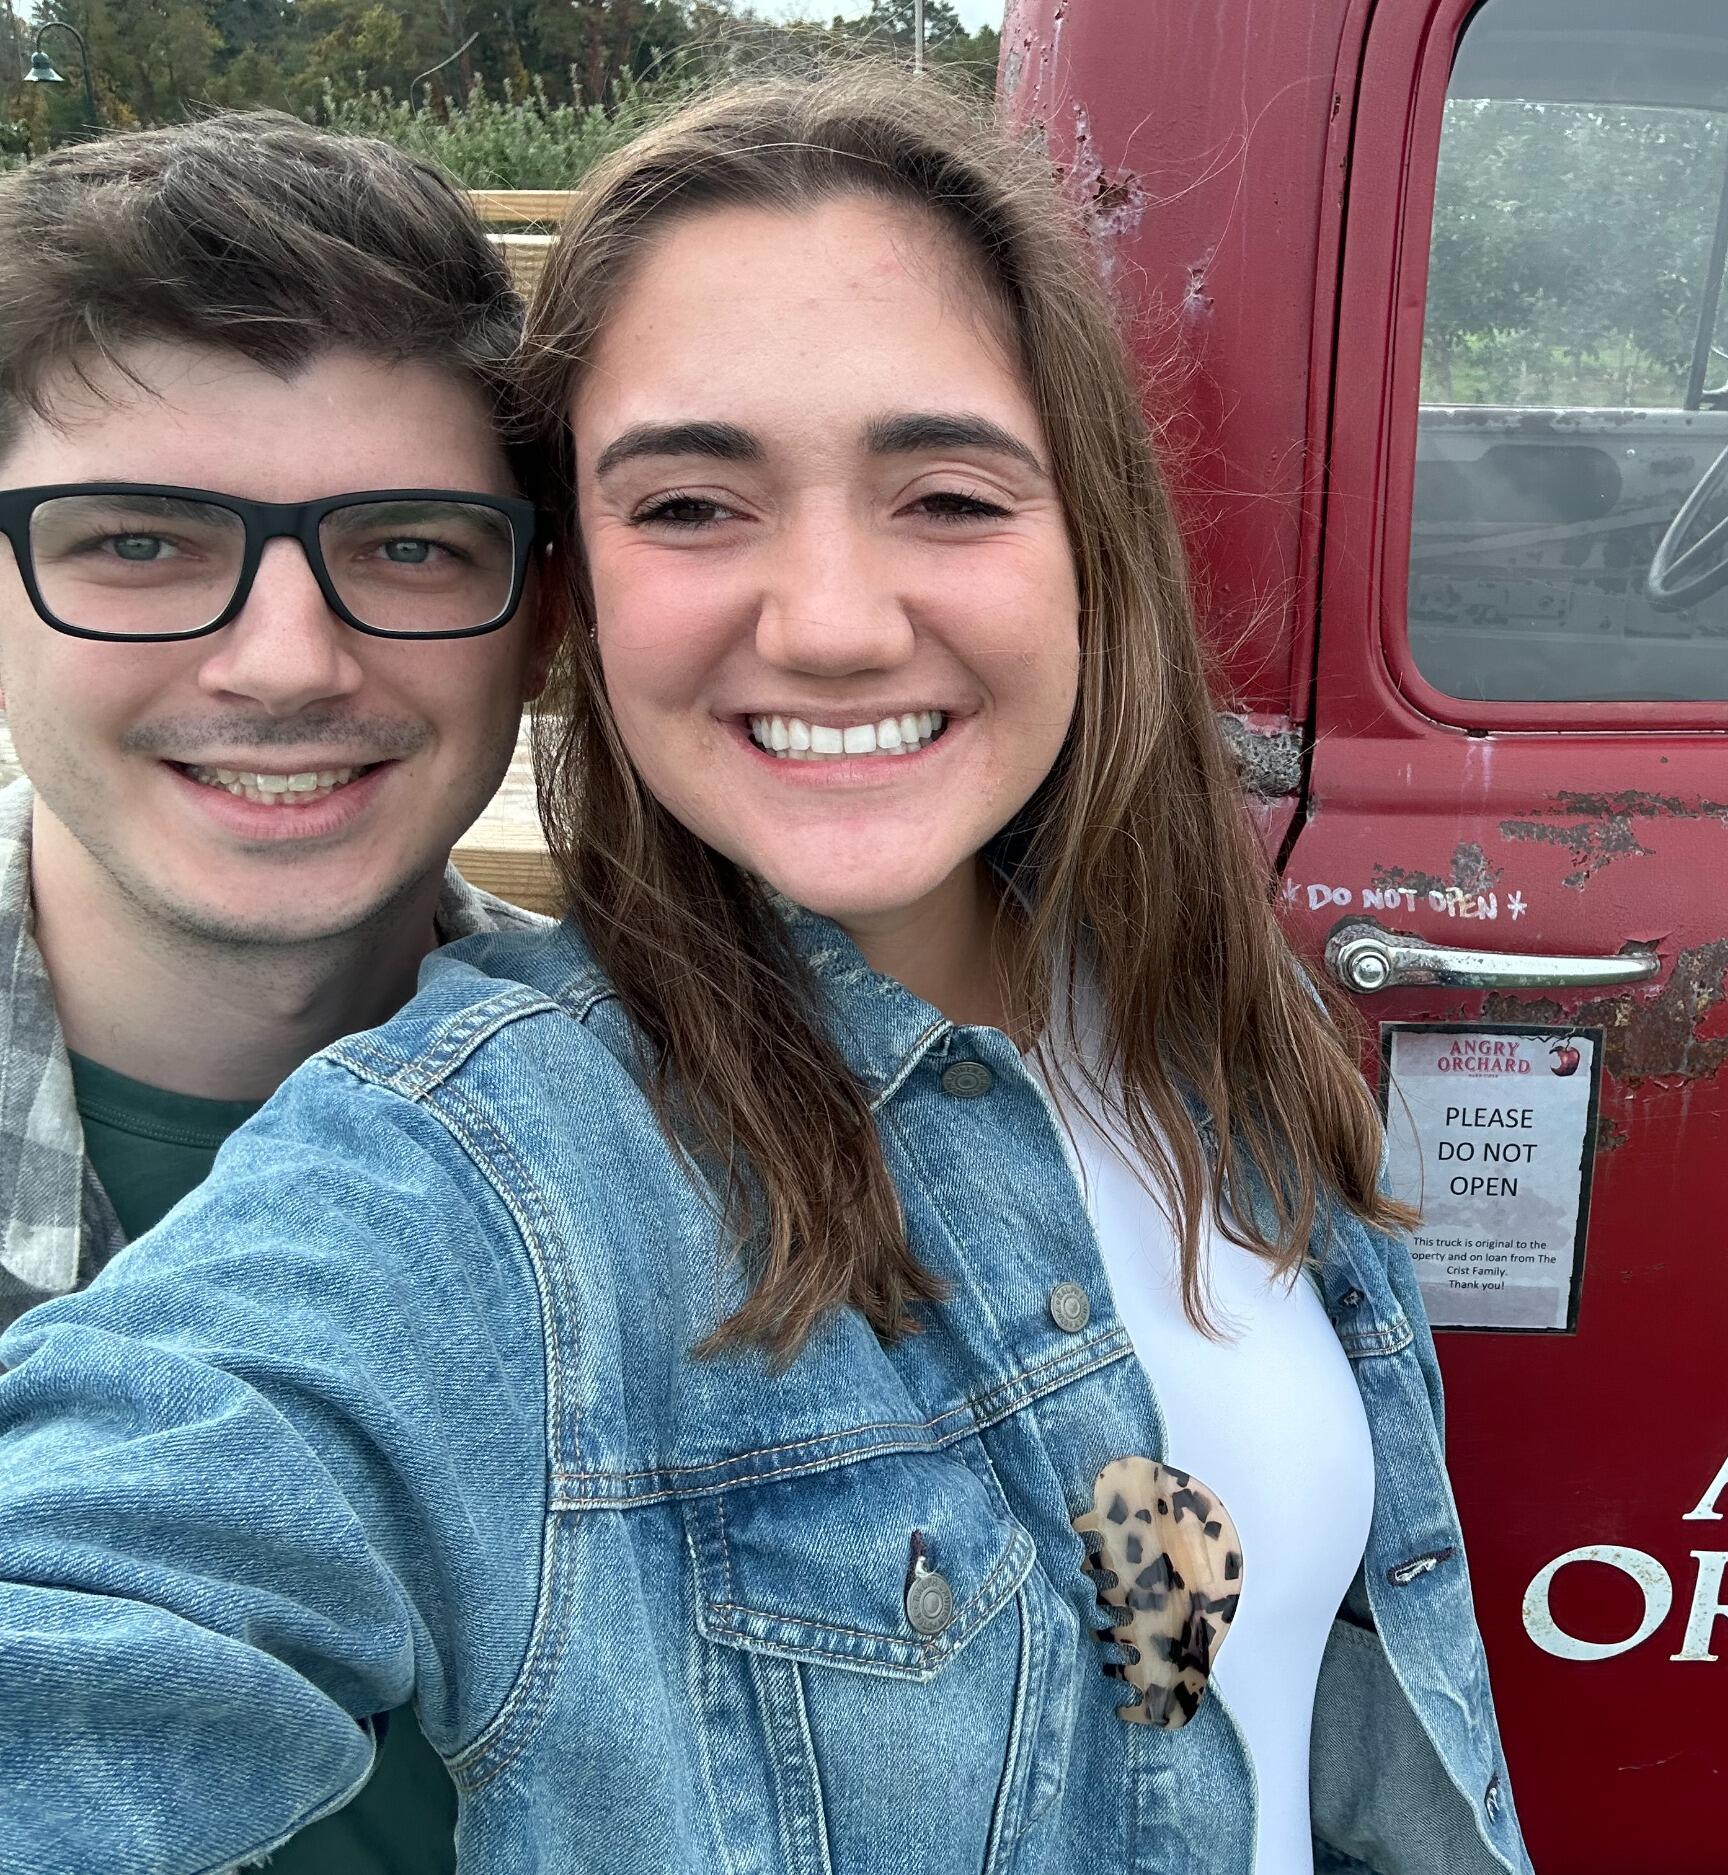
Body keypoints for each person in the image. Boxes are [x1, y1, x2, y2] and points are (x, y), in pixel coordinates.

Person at [0, 69, 1530, 1875]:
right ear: (600, 586)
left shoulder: (1199, 1036)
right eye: (696, 505)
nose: (828, 620)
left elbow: (1181, 1678)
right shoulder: (479, 1172)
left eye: (950, 495)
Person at [0, 115, 549, 1872]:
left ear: (544, 623)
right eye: (140, 543)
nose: (288, 662)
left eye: (409, 546)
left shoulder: (733, 1160)